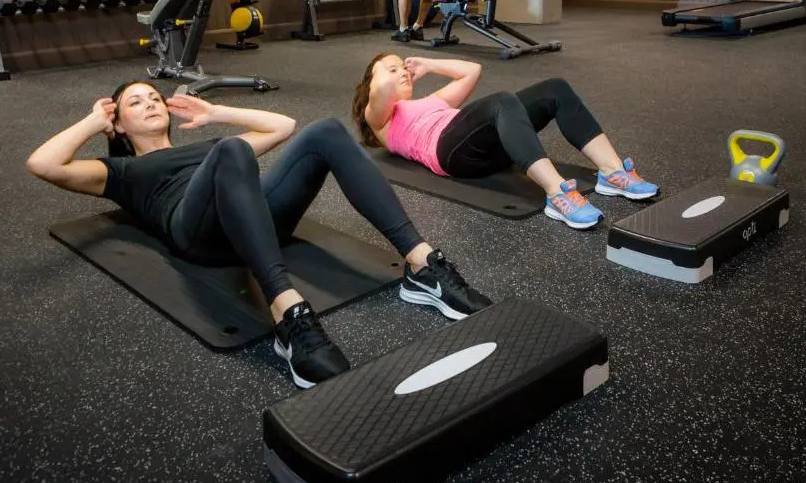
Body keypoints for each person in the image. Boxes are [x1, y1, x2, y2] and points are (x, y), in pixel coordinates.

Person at [26, 81, 490, 389]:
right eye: (135, 102)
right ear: (119, 124)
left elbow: (283, 127)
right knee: (232, 151)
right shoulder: (121, 171)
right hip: (199, 232)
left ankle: (422, 265)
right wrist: (94, 121)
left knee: (325, 131)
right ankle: (288, 315)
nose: (150, 103)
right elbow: (43, 164)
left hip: (253, 218)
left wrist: (215, 112)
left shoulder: (212, 146)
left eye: (153, 97)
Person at [352, 55, 659, 230]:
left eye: (403, 68)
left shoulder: (432, 100)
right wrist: (386, 70)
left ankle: (612, 172)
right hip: (450, 154)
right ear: (371, 83)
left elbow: (472, 71)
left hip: (488, 147)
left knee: (554, 88)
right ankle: (557, 193)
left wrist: (429, 64)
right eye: (393, 70)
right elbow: (381, 91)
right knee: (500, 101)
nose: (403, 73)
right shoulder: (381, 120)